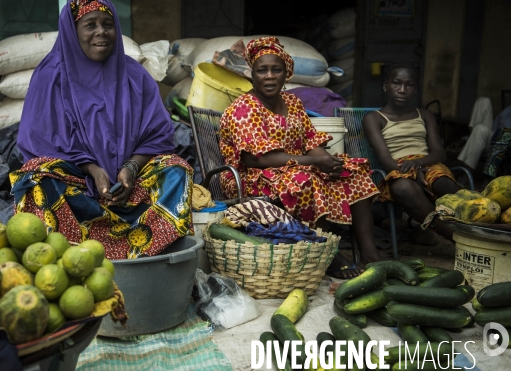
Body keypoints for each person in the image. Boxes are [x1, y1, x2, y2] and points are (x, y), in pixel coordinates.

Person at [10, 0, 193, 260]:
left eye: (108, 24)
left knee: (177, 170)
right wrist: (93, 169)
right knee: (36, 177)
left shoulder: (133, 75)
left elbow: (157, 133)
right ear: (72, 32)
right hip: (77, 181)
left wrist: (130, 168)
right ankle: (69, 255)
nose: (101, 32)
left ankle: (146, 252)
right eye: (90, 25)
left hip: (129, 185)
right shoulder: (50, 76)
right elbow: (40, 140)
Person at [219, 37, 382, 279]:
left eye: (277, 70)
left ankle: (370, 255)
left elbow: (309, 142)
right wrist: (316, 163)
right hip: (249, 176)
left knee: (353, 172)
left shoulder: (293, 103)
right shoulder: (244, 108)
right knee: (306, 180)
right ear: (252, 74)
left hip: (288, 170)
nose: (270, 76)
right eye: (262, 70)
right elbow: (256, 160)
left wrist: (328, 162)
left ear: (287, 73)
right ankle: (326, 253)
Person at [363, 64, 461, 242]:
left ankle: (473, 227)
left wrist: (420, 165)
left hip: (428, 163)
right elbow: (384, 159)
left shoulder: (424, 115)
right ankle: (454, 236)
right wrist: (412, 172)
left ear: (415, 89)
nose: (402, 90)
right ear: (386, 85)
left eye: (409, 85)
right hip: (398, 167)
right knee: (403, 188)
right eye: (396, 83)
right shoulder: (374, 118)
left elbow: (439, 152)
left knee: (443, 183)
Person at [456, 97, 511, 184]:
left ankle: (468, 171)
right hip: (493, 140)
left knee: (484, 129)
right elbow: (492, 130)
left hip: (506, 146)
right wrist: (464, 139)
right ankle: (471, 144)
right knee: (483, 101)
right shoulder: (507, 110)